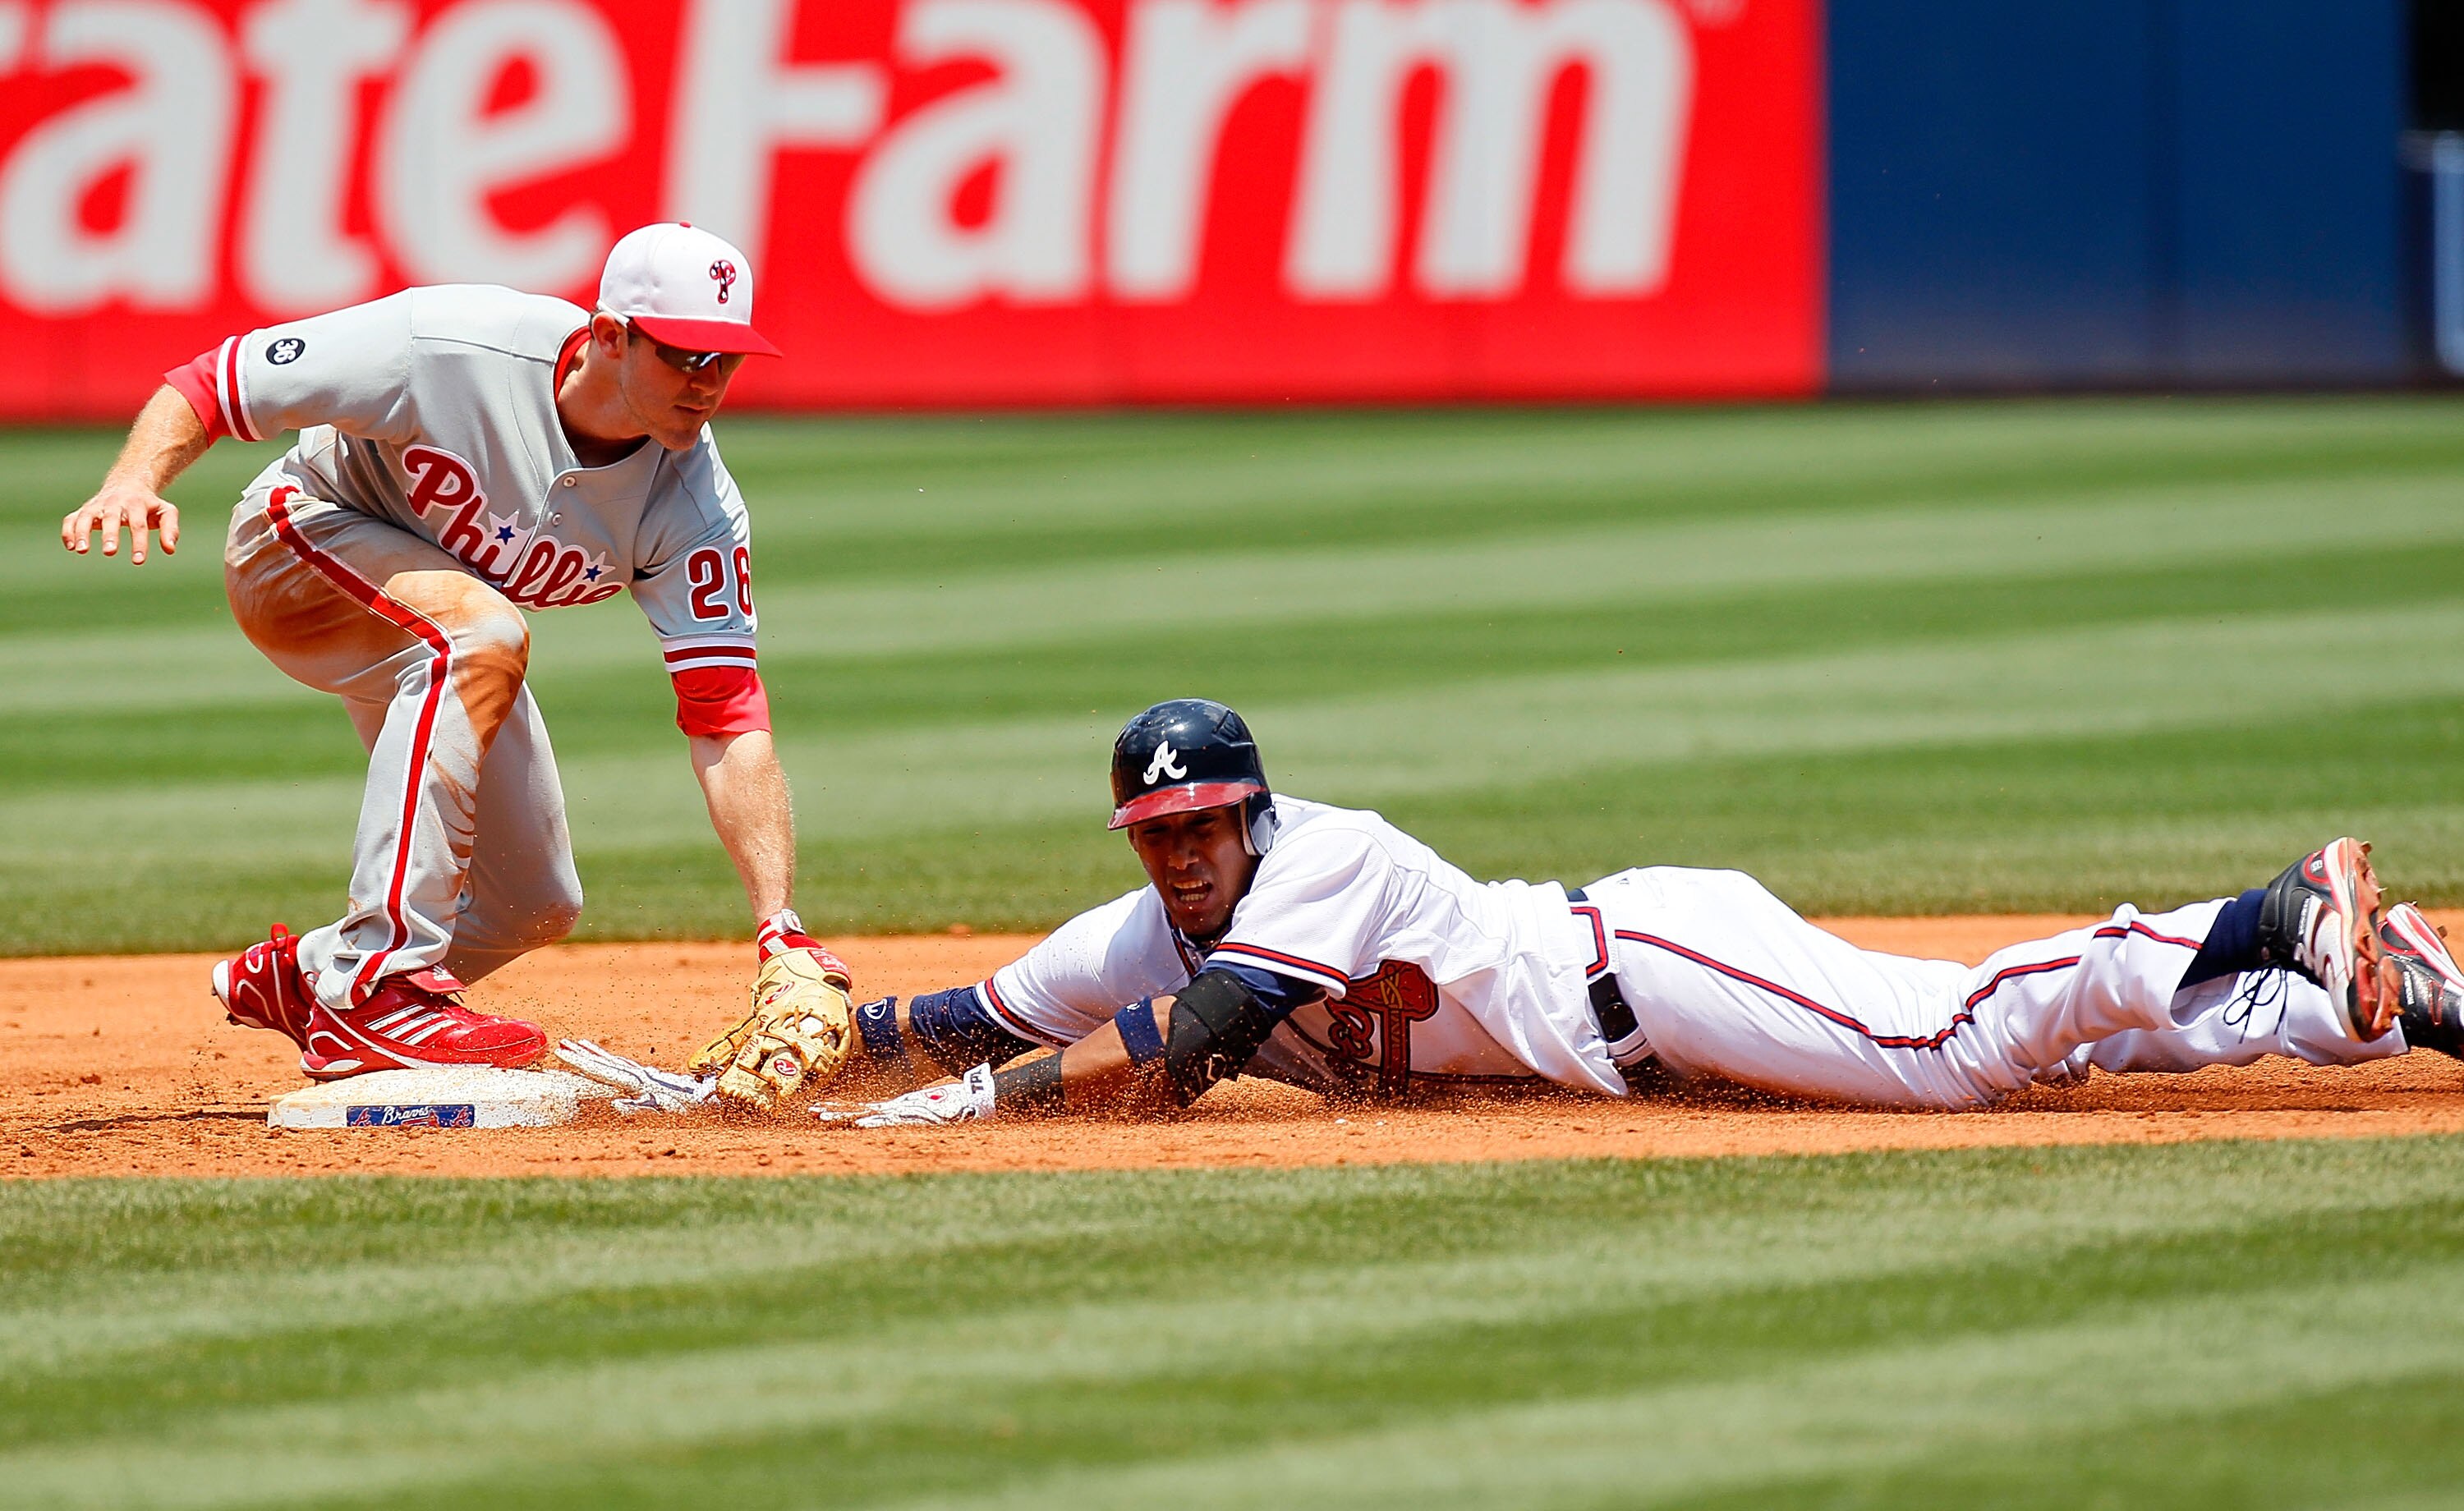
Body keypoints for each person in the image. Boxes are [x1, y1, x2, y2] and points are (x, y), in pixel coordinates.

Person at [815, 698, 2464, 1125]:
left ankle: (2257, 909)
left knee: (1959, 1042)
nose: (1179, 849)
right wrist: (841, 1041)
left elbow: (1197, 1039)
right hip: (1656, 1047)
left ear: (1254, 809)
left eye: (1202, 820)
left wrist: (948, 1118)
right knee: (2057, 1069)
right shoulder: (1150, 921)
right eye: (1153, 828)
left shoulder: (1327, 853)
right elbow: (982, 1013)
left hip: (1648, 968)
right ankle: (2337, 987)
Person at [60, 223, 848, 1081]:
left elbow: (727, 718)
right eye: (685, 355)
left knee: (534, 903)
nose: (706, 384)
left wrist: (781, 921)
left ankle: (312, 984)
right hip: (296, 547)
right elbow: (220, 380)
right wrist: (133, 480)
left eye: (725, 361)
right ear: (612, 335)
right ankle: (375, 986)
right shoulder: (447, 345)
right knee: (483, 631)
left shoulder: (694, 505)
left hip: (430, 629)